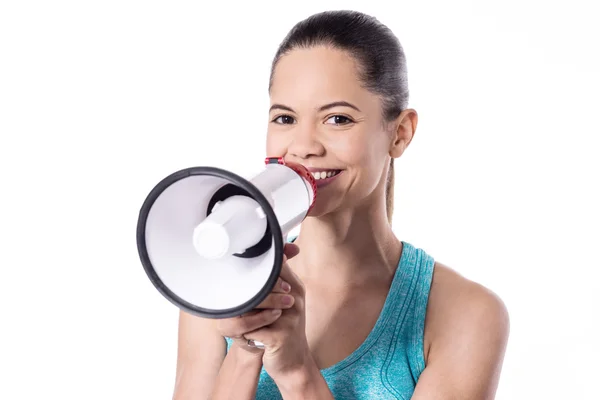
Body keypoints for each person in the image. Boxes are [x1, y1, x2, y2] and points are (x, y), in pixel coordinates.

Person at [173, 10, 510, 400]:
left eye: (337, 119)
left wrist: (297, 370)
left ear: (400, 134)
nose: (303, 147)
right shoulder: (213, 287)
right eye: (285, 118)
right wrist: (248, 350)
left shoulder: (466, 315)